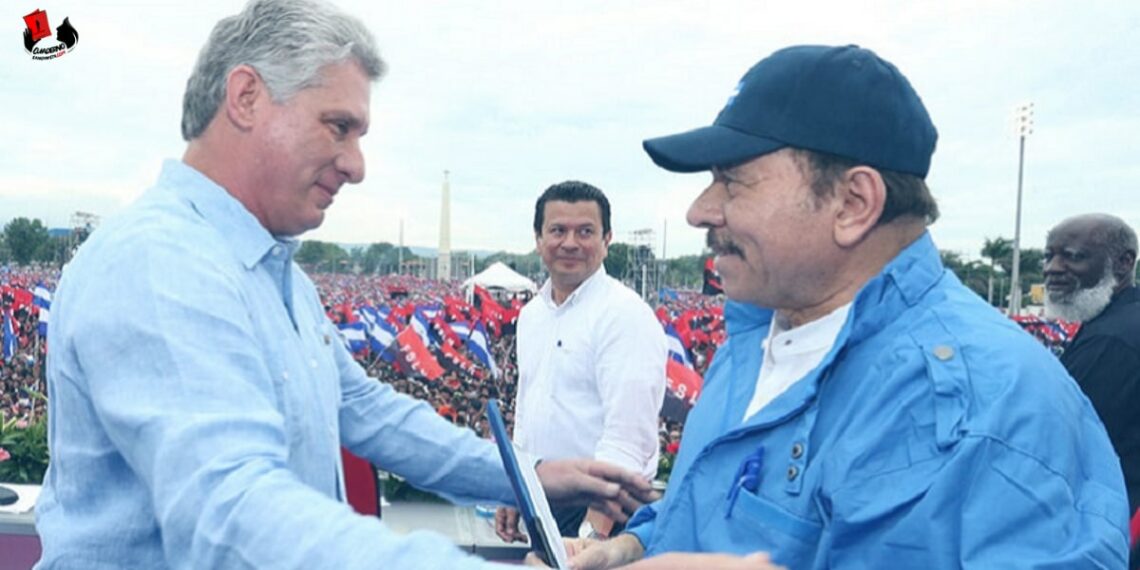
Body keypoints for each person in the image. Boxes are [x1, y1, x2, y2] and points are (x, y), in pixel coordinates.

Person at [33, 1, 654, 568]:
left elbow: (365, 411)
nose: (356, 165)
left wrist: (529, 475)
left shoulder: (271, 272)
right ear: (246, 98)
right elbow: (229, 509)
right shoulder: (158, 262)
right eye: (338, 127)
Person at [563, 44, 1130, 569]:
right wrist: (630, 546)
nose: (700, 211)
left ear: (854, 204)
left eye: (733, 183)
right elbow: (711, 501)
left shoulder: (984, 404)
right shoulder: (759, 331)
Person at [496, 181, 668, 540]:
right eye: (558, 230)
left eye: (585, 231)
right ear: (538, 239)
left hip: (605, 513)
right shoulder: (531, 315)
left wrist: (593, 534)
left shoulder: (623, 315)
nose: (570, 243)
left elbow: (628, 435)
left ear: (607, 239)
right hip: (546, 500)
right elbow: (528, 414)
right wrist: (516, 486)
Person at [1044, 213, 1140, 569]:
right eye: (1049, 256)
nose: (1054, 267)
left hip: (1114, 525)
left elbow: (1062, 441)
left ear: (1124, 262)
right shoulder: (1119, 322)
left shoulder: (1113, 339)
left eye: (1073, 256)